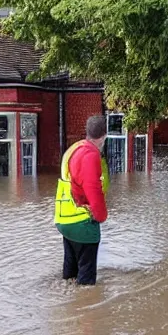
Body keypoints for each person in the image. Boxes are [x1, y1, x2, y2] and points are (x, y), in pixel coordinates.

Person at [55, 114, 110, 285]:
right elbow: (93, 189)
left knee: (70, 275)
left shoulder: (75, 149)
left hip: (65, 218)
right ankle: (85, 310)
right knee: (86, 282)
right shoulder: (90, 155)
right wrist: (101, 216)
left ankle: (67, 303)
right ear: (104, 136)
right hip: (82, 223)